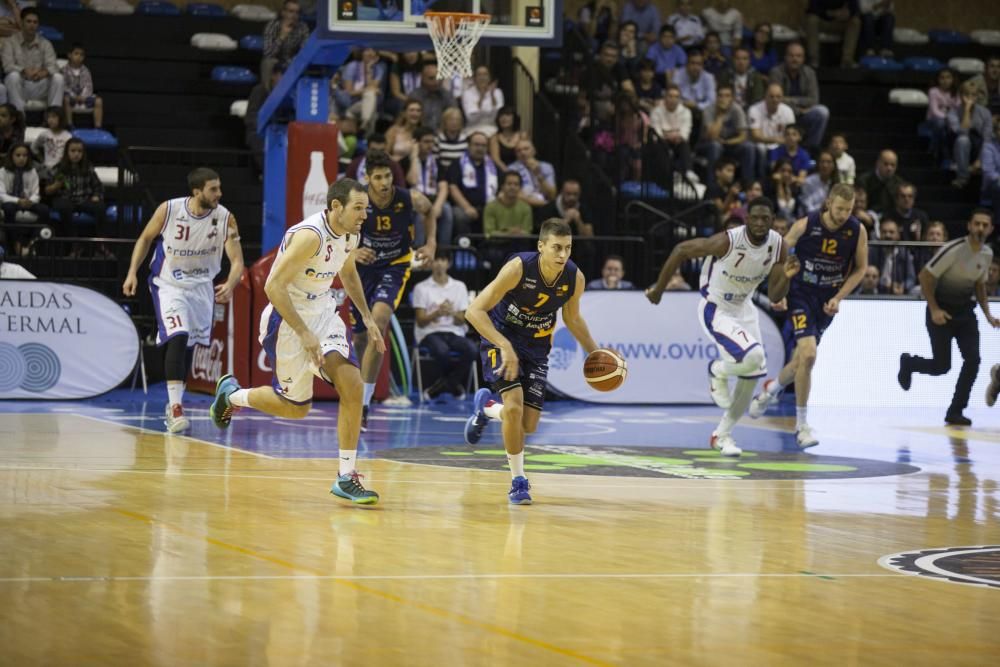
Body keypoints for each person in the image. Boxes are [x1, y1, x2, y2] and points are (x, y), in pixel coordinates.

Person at [209, 179, 383, 504]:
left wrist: (368, 317)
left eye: (366, 209)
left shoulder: (350, 234)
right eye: (358, 208)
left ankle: (346, 476)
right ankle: (233, 395)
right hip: (287, 319)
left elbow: (347, 273)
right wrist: (304, 333)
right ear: (335, 207)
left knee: (353, 385)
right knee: (295, 409)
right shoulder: (310, 236)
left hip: (323, 311)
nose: (364, 215)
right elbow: (273, 286)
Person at [463, 219, 608, 504]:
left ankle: (487, 408)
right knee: (515, 408)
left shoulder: (573, 278)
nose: (562, 254)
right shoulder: (518, 268)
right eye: (556, 247)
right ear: (541, 246)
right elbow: (474, 311)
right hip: (502, 337)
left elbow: (572, 318)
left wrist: (594, 352)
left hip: (537, 346)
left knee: (527, 425)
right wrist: (504, 345)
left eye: (567, 248)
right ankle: (519, 481)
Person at [646, 196, 798, 456]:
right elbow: (681, 250)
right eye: (756, 218)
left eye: (766, 218)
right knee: (755, 356)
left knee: (751, 377)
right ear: (747, 219)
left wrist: (786, 277)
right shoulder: (728, 240)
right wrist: (659, 289)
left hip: (744, 308)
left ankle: (722, 435)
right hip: (716, 306)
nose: (760, 223)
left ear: (773, 221)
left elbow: (774, 296)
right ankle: (717, 370)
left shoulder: (778, 246)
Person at [123, 168, 245, 433]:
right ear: (197, 191)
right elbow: (145, 239)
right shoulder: (169, 210)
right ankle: (175, 407)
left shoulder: (225, 218)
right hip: (169, 284)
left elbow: (237, 261)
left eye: (219, 188)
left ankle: (176, 400)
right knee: (178, 335)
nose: (219, 194)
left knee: (189, 344)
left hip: (202, 288)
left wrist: (232, 283)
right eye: (213, 189)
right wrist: (132, 272)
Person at [749, 183, 869, 447]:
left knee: (801, 362)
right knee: (810, 354)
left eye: (848, 210)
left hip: (827, 300)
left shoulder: (857, 230)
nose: (843, 215)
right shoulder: (806, 224)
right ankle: (802, 426)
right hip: (801, 293)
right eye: (839, 209)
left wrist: (838, 297)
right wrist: (778, 292)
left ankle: (771, 389)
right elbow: (777, 257)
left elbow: (861, 269)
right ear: (828, 204)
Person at [353, 150, 436, 431]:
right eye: (378, 177)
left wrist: (431, 244)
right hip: (363, 269)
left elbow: (429, 210)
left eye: (387, 175)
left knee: (379, 322)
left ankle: (363, 405)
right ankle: (356, 393)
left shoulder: (408, 198)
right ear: (367, 178)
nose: (384, 182)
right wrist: (352, 252)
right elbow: (336, 227)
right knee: (360, 339)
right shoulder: (357, 199)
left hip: (395, 265)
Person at [898, 210, 998, 425]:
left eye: (985, 225)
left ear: (990, 229)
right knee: (941, 366)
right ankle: (909, 363)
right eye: (977, 224)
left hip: (965, 312)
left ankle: (955, 411)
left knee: (973, 360)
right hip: (941, 310)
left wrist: (988, 314)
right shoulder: (953, 249)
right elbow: (925, 275)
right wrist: (934, 309)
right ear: (969, 226)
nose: (980, 228)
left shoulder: (987, 254)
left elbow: (979, 285)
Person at [411, 249, 478, 400]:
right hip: (429, 332)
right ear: (430, 263)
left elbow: (462, 319)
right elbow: (421, 321)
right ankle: (453, 385)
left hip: (454, 332)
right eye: (436, 260)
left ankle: (442, 385)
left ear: (448, 263)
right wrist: (437, 313)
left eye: (443, 260)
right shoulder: (421, 287)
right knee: (442, 351)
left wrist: (451, 312)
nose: (439, 264)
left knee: (472, 349)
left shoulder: (459, 286)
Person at [768, 42, 830, 150]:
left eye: (798, 56)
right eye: (791, 56)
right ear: (785, 57)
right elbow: (776, 99)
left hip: (803, 116)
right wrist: (799, 110)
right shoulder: (776, 72)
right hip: (781, 115)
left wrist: (789, 100)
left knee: (822, 111)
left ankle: (809, 149)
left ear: (803, 58)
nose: (795, 59)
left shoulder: (809, 73)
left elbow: (813, 100)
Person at [1, 8, 63, 112]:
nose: (32, 25)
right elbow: (7, 66)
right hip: (19, 85)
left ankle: (53, 118)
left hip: (39, 84)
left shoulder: (45, 43)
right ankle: (19, 119)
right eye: (28, 21)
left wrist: (44, 72)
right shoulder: (10, 42)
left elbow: (53, 66)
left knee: (58, 78)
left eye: (35, 22)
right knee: (12, 76)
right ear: (21, 22)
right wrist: (23, 70)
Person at [44, 137, 105, 239]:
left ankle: (101, 243)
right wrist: (55, 186)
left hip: (84, 199)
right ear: (67, 152)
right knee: (64, 207)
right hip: (65, 199)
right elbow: (47, 190)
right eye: (73, 151)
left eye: (79, 151)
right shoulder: (59, 168)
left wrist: (97, 195)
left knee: (101, 208)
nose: (76, 154)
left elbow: (98, 186)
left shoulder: (88, 167)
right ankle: (73, 242)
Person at [407, 125, 452, 247]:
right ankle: (419, 253)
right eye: (426, 141)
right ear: (416, 143)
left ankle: (443, 253)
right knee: (421, 213)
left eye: (432, 142)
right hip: (414, 200)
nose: (430, 145)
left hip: (432, 198)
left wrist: (437, 206)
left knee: (447, 209)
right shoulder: (406, 161)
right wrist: (414, 157)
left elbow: (443, 188)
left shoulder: (436, 162)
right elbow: (412, 180)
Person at [0, 142, 48, 253]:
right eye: (18, 155)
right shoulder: (2, 172)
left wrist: (29, 201)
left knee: (44, 210)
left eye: (25, 155)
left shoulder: (32, 171)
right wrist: (18, 201)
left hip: (28, 202)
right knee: (8, 208)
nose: (22, 158)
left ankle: (32, 242)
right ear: (11, 156)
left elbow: (36, 193)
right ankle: (16, 244)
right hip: (11, 202)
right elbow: (1, 194)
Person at [447, 131, 498, 236]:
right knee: (459, 215)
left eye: (483, 145)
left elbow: (502, 188)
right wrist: (467, 207)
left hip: (489, 207)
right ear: (469, 146)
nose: (480, 148)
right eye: (476, 145)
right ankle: (464, 250)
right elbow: (453, 188)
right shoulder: (457, 163)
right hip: (464, 207)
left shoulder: (493, 166)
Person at [949, 80, 994, 190]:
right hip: (958, 149)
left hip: (979, 148)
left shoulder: (985, 112)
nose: (970, 98)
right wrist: (967, 110)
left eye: (973, 95)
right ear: (960, 95)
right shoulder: (953, 112)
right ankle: (962, 177)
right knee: (963, 139)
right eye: (966, 94)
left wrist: (979, 160)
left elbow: (987, 138)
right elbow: (963, 131)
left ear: (978, 96)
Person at [260, 0, 309, 83]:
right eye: (291, 11)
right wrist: (282, 36)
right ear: (283, 12)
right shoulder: (272, 26)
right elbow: (268, 54)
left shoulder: (302, 28)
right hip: (274, 62)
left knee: (303, 63)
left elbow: (305, 51)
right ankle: (271, 93)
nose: (294, 15)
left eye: (297, 12)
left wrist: (293, 61)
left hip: (292, 61)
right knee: (268, 63)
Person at [804, 0, 861, 68]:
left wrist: (849, 13)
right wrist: (831, 13)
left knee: (855, 22)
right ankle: (813, 60)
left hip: (840, 22)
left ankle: (847, 60)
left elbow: (856, 9)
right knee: (811, 20)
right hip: (823, 21)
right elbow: (812, 9)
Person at [61, 43, 103, 129]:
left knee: (98, 101)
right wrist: (74, 95)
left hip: (84, 97)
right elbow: (64, 86)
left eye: (81, 55)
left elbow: (88, 86)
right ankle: (69, 125)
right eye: (76, 54)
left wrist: (83, 96)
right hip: (71, 96)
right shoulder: (64, 70)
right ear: (69, 55)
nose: (79, 57)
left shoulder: (85, 71)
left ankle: (98, 127)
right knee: (65, 99)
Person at [484, 170, 533, 238]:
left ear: (520, 188)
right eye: (509, 184)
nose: (512, 187)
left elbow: (527, 233)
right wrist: (510, 232)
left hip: (519, 244)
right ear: (502, 186)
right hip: (496, 245)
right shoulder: (491, 207)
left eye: (516, 184)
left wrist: (508, 232)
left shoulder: (525, 208)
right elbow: (489, 233)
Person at [462, 65, 504, 136]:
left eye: (485, 74)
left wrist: (492, 96)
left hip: (492, 128)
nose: (482, 77)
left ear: (489, 77)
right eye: (479, 75)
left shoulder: (497, 92)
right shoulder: (467, 93)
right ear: (474, 78)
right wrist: (481, 97)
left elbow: (497, 116)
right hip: (472, 129)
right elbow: (471, 119)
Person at [856, 149, 901, 215]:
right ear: (878, 163)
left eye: (893, 165)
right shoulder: (863, 180)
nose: (889, 168)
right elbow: (858, 204)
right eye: (886, 164)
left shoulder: (898, 183)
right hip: (867, 216)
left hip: (890, 219)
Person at [30, 106, 71, 176]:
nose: (50, 120)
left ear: (61, 118)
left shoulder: (67, 136)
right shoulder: (44, 134)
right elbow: (33, 147)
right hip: (47, 168)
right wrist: (42, 159)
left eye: (54, 117)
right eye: (48, 117)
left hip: (62, 169)